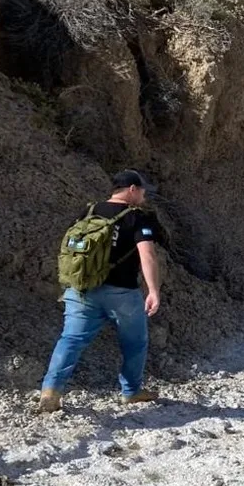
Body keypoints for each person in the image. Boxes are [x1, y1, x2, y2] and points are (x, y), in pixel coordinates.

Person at [39, 169, 163, 413]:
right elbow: (147, 255)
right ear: (132, 189)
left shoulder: (88, 211)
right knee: (135, 342)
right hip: (122, 292)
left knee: (71, 340)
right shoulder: (136, 217)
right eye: (143, 190)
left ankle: (50, 391)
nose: (144, 195)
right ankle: (131, 392)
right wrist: (153, 290)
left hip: (81, 289)